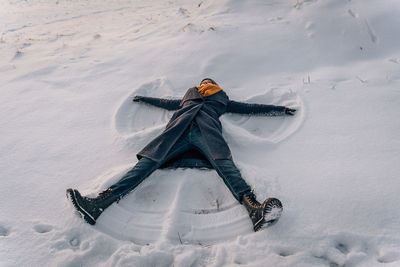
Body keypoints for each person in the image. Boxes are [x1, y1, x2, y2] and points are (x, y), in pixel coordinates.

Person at [66, 78, 296, 231]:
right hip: (175, 136)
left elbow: (249, 108)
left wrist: (278, 110)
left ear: (216, 86)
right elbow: (167, 103)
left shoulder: (222, 100)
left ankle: (254, 210)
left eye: (209, 81)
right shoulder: (189, 96)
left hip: (207, 136)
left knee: (226, 168)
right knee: (144, 166)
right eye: (203, 81)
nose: (206, 82)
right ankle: (97, 204)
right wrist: (145, 98)